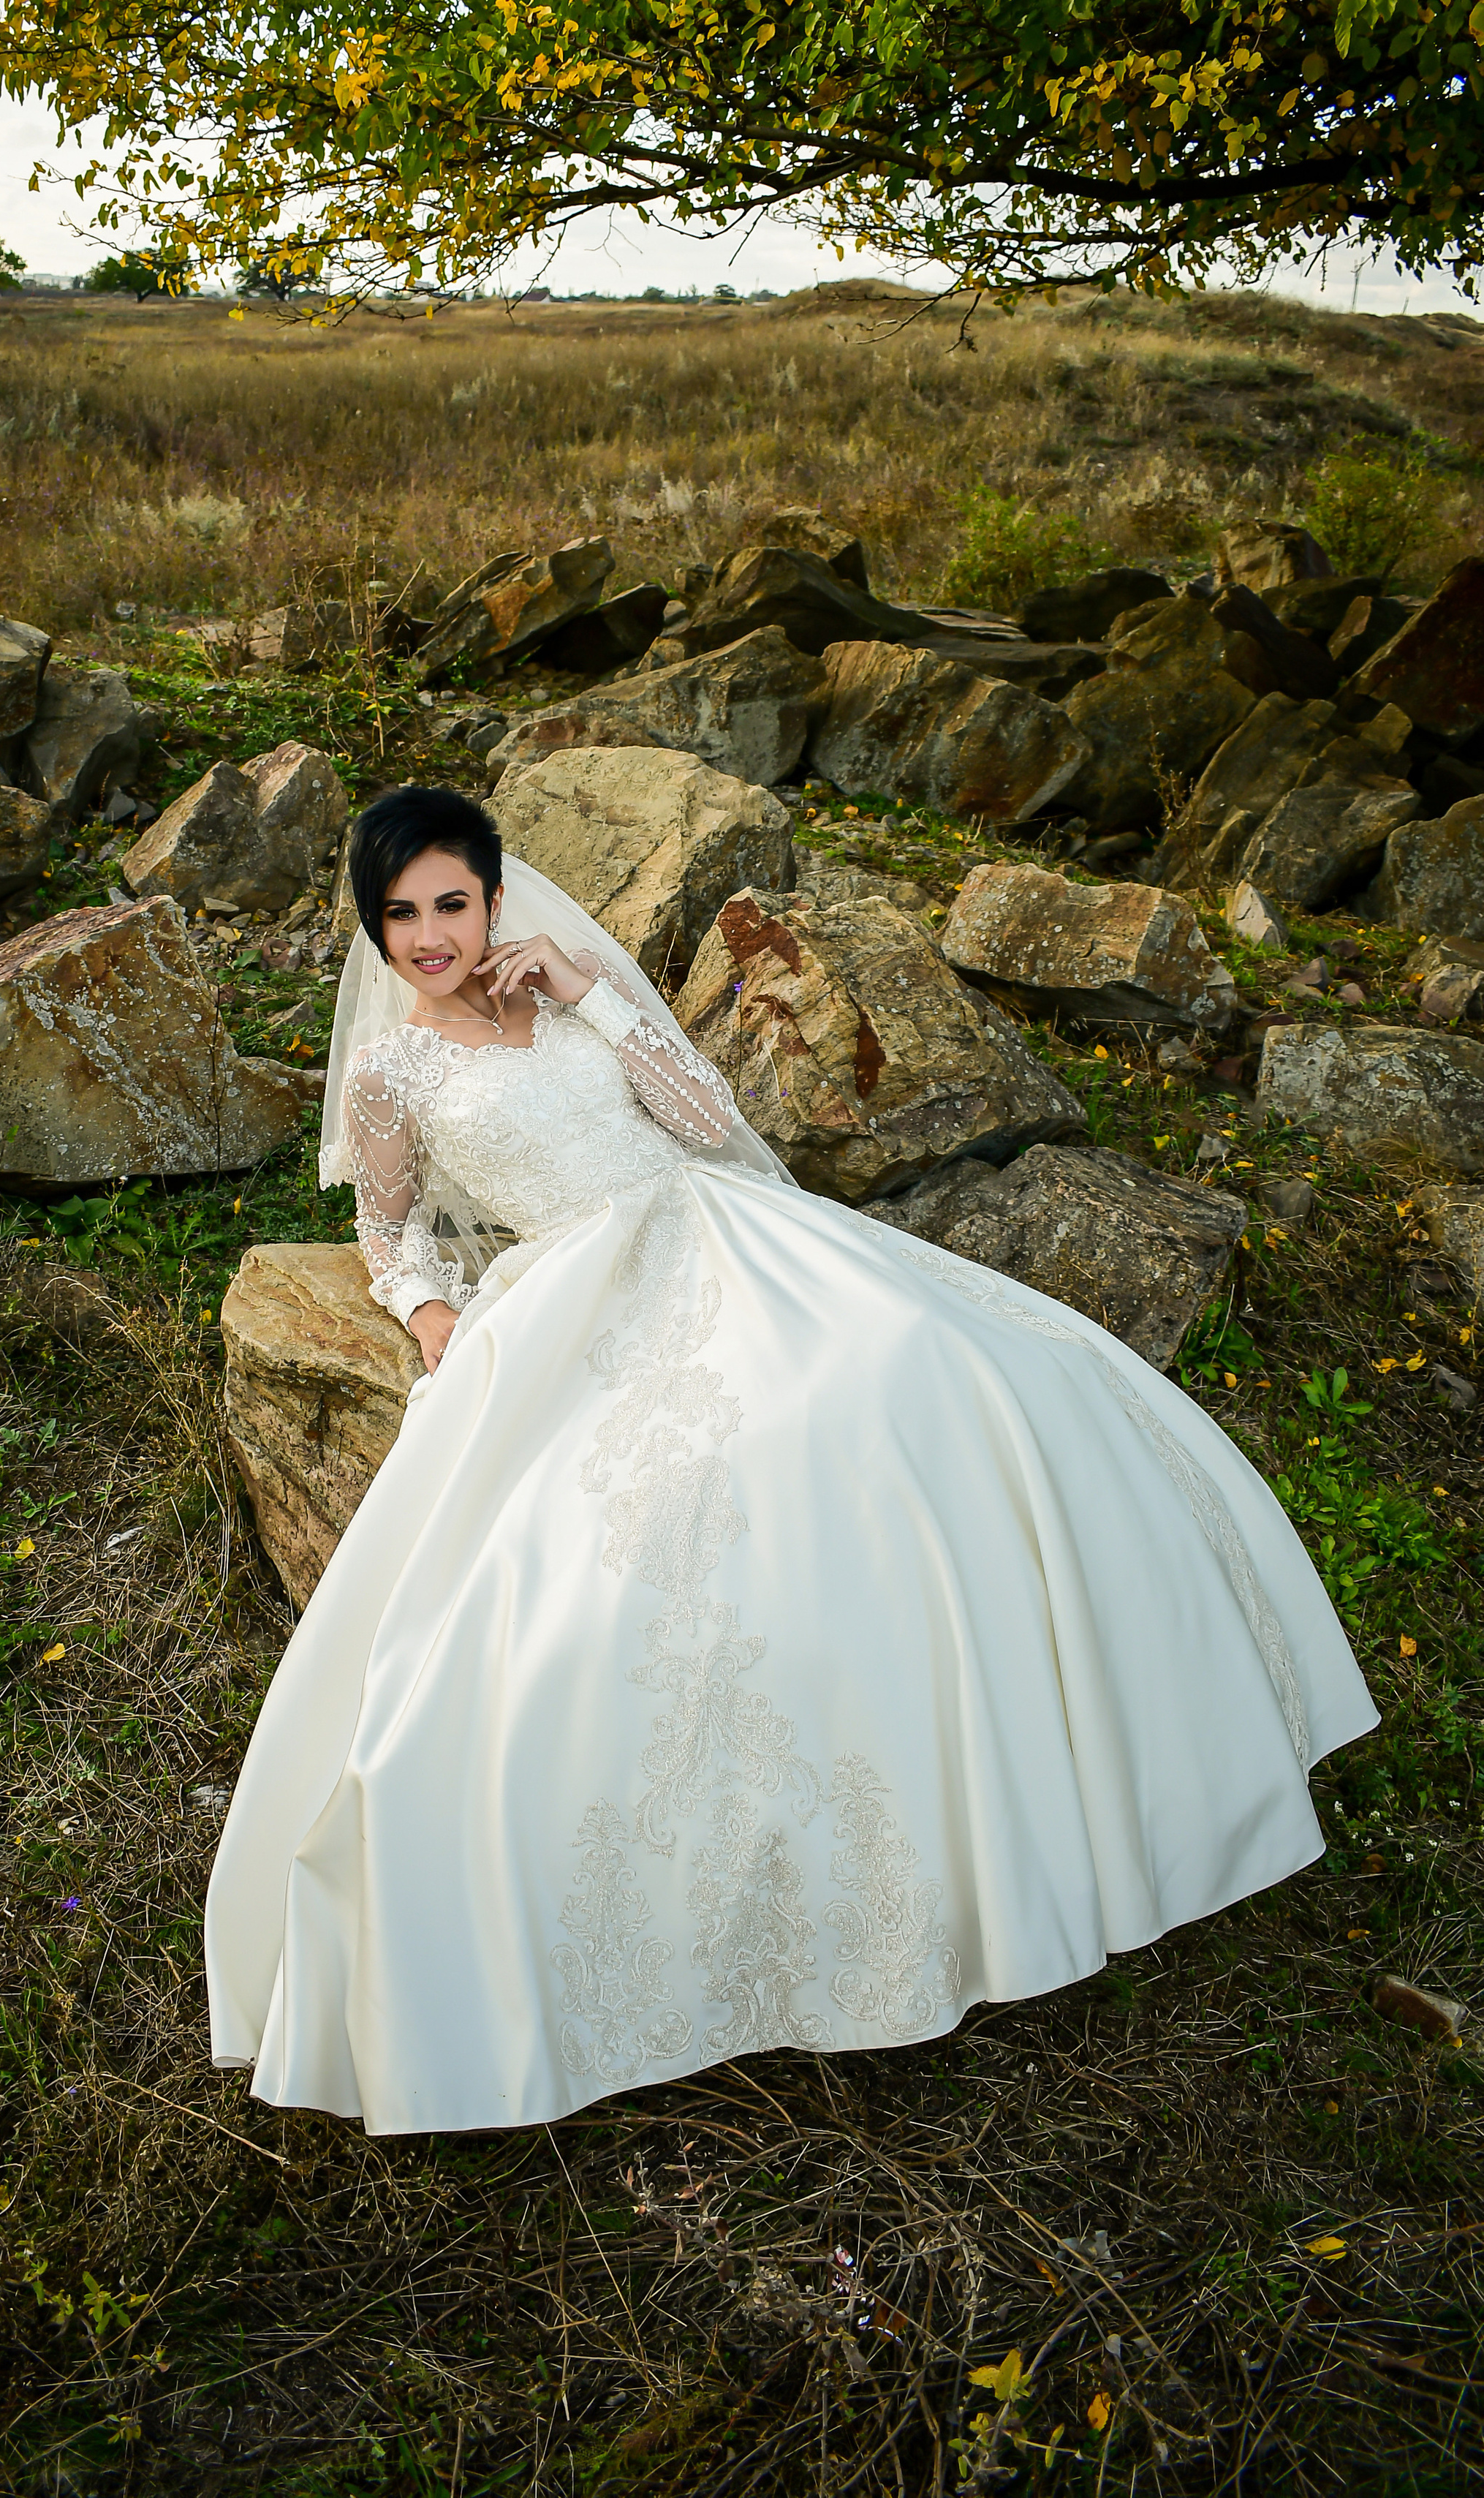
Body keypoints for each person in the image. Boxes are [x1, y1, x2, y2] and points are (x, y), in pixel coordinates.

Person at [205, 785, 1375, 2135]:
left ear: (492, 893)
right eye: (400, 914)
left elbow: (706, 1123)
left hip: (711, 1233)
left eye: (450, 903)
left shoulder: (565, 989)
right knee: (654, 1530)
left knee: (915, 1371)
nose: (429, 936)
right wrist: (435, 1323)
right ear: (375, 926)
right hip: (577, 1291)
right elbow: (392, 1231)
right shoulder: (394, 1071)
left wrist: (591, 996)